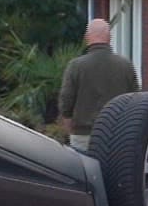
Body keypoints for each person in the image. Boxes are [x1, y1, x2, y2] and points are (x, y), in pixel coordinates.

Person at [59, 18, 139, 152]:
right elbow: (136, 101)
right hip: (118, 135)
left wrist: (70, 128)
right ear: (109, 38)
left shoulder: (76, 66)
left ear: (87, 38)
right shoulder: (126, 66)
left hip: (84, 135)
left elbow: (66, 102)